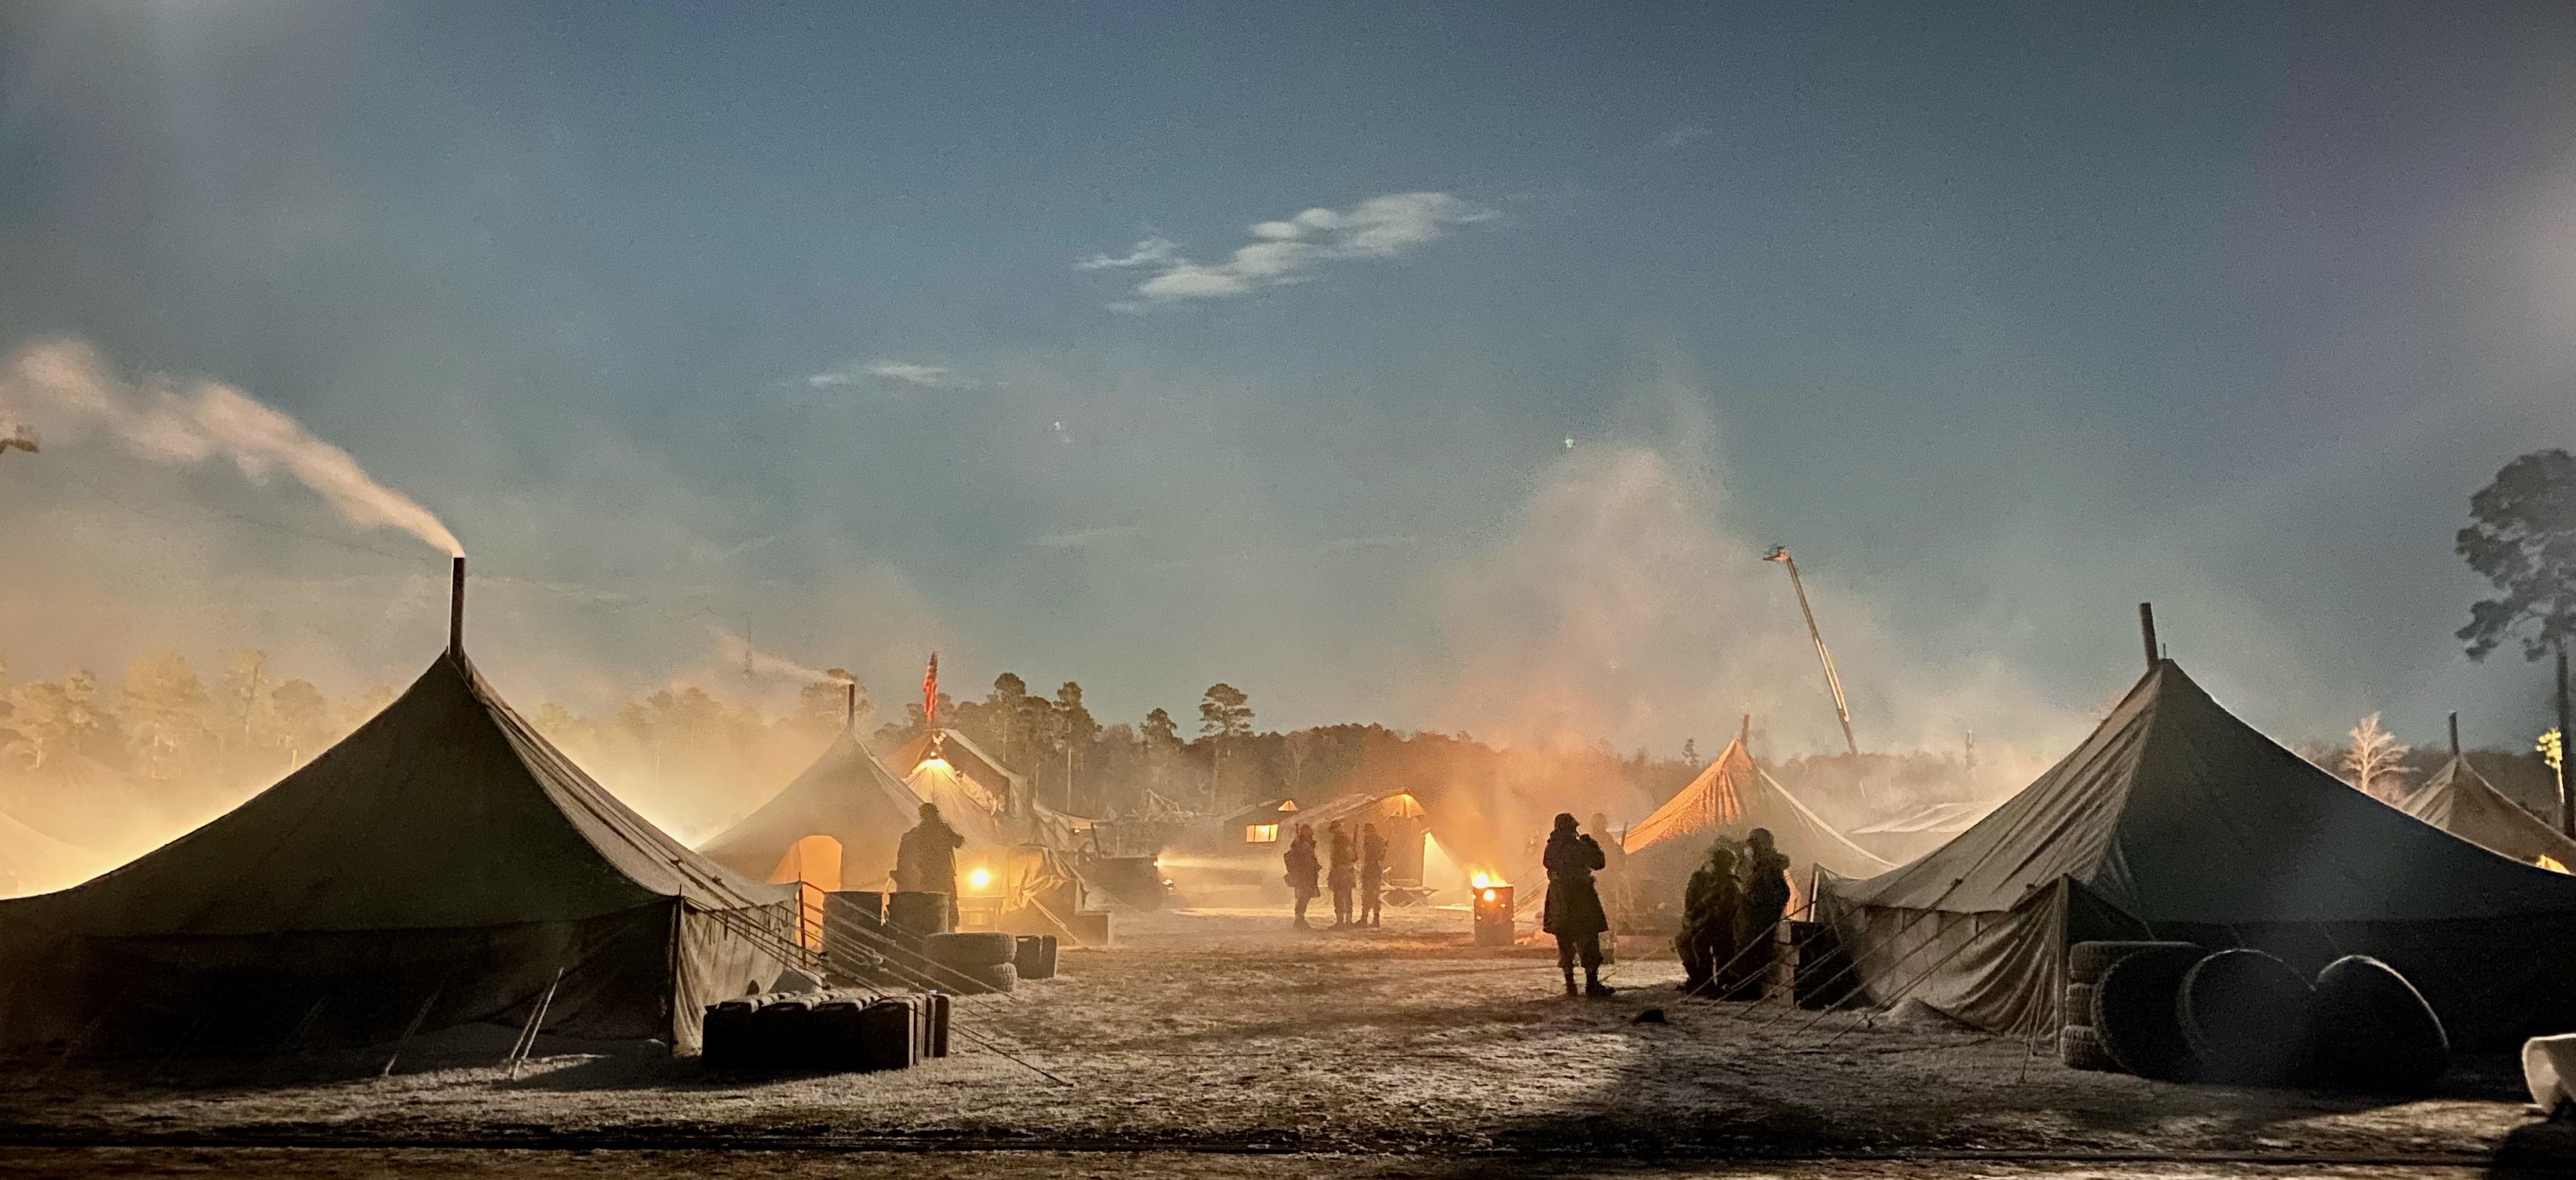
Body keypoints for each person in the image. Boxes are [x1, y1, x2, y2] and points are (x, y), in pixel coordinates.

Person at [1541, 812, 1615, 998]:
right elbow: (1599, 863)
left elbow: (1548, 864)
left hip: (1559, 900)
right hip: (1581, 898)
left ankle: (1570, 984)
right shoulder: (1579, 847)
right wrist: (1591, 844)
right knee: (1588, 941)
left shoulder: (1551, 848)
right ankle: (1592, 985)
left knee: (1564, 942)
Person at [1728, 826, 1793, 1001]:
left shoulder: (1769, 869)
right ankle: (1739, 987)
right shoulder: (1760, 867)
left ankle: (1745, 990)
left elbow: (1779, 894)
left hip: (1758, 920)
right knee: (1743, 950)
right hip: (1749, 918)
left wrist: (1751, 899)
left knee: (1750, 954)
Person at [1675, 842, 1741, 998]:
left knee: (1701, 942)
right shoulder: (1703, 879)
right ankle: (1698, 979)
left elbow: (1721, 913)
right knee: (1683, 941)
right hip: (1707, 923)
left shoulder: (1730, 883)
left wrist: (1698, 924)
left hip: (1724, 927)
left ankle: (1708, 983)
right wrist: (1692, 922)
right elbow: (1693, 906)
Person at [893, 802, 966, 927]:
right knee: (946, 896)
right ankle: (948, 922)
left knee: (931, 897)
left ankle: (936, 922)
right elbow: (958, 842)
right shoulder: (942, 828)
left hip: (930, 870)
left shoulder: (923, 830)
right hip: (942, 870)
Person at [1283, 824, 1322, 929]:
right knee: (1302, 897)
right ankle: (1299, 919)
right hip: (1303, 875)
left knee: (1305, 897)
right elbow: (1300, 859)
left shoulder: (1307, 843)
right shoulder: (1300, 844)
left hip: (1308, 875)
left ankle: (1300, 918)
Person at [1327, 821, 1358, 927]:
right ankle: (1347, 921)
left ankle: (1341, 922)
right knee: (1346, 896)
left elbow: (1345, 856)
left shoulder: (1340, 840)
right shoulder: (1346, 840)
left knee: (1340, 896)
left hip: (1341, 871)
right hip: (1345, 870)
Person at [1359, 823, 1387, 927]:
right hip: (1374, 871)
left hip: (1371, 871)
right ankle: (1375, 919)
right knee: (1374, 895)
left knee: (1368, 895)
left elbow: (1371, 857)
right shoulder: (1379, 841)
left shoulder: (1372, 842)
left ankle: (1365, 918)